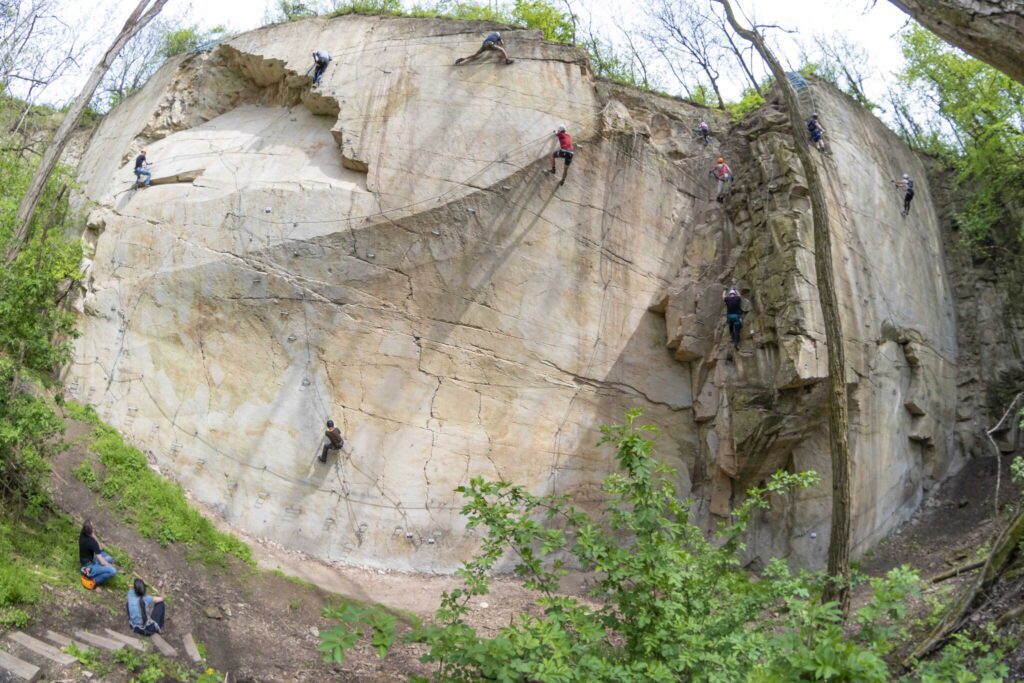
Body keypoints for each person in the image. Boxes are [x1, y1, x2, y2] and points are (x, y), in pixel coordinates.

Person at [79, 520, 117, 588]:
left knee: (109, 558)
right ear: (92, 530)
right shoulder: (92, 542)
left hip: (86, 561)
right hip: (90, 566)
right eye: (93, 526)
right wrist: (109, 565)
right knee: (113, 571)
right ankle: (94, 580)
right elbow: (100, 551)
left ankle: (92, 570)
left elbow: (100, 551)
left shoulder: (82, 534)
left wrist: (92, 534)